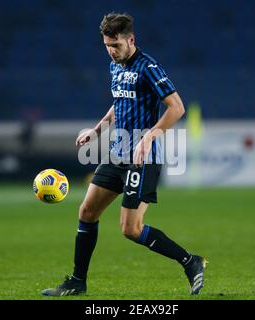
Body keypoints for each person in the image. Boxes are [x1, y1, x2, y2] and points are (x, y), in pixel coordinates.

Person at [42, 12, 207, 297]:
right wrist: (96, 130)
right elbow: (119, 103)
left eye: (116, 45)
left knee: (131, 229)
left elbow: (176, 108)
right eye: (106, 45)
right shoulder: (114, 65)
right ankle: (77, 282)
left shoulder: (149, 67)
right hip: (118, 154)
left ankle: (190, 262)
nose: (111, 51)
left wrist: (149, 137)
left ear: (131, 39)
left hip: (143, 159)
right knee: (87, 211)